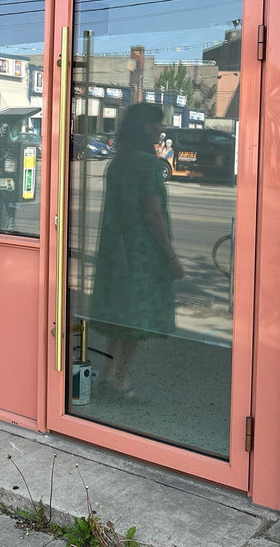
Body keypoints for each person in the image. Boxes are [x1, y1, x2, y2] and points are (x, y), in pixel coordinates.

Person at [91, 103, 183, 399]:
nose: (161, 129)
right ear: (146, 128)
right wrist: (170, 256)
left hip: (116, 251)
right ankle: (121, 378)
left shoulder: (117, 164)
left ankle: (108, 375)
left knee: (121, 318)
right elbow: (153, 215)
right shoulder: (148, 165)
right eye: (158, 124)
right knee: (135, 320)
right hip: (141, 254)